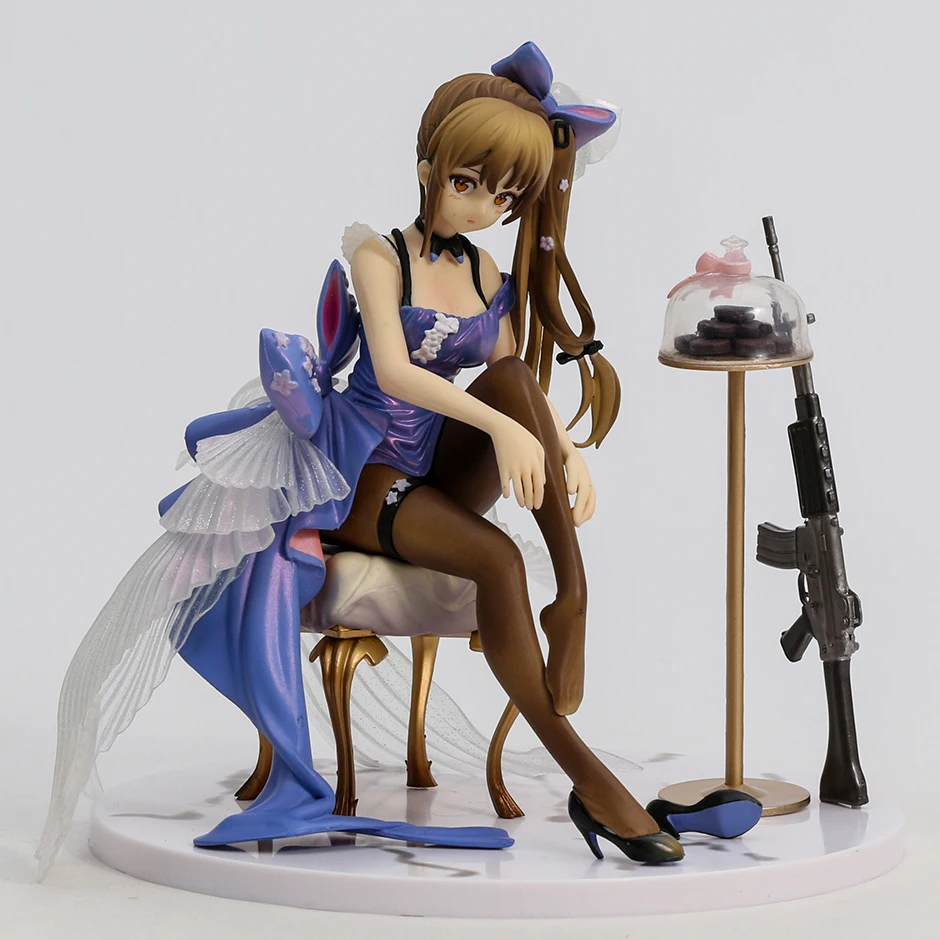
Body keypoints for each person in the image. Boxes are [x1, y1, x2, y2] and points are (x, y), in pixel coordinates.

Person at [38, 42, 759, 877]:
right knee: (496, 558)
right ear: (428, 168)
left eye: (505, 196)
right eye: (470, 183)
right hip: (364, 475)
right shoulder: (379, 255)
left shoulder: (485, 269)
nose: (485, 207)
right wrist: (506, 434)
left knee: (514, 379)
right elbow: (393, 370)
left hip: (435, 470)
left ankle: (574, 599)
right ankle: (590, 781)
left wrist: (560, 447)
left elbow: (510, 381)